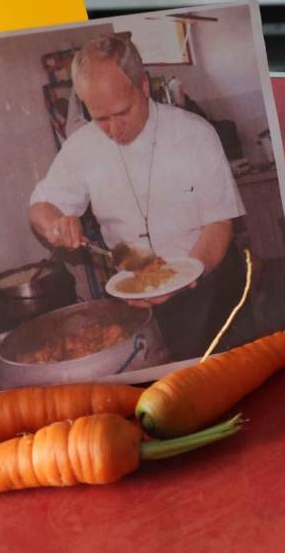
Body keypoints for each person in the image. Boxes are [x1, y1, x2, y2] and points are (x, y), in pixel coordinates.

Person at [28, 33, 246, 360]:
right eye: (100, 118)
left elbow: (219, 223)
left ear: (143, 86)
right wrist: (55, 225)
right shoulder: (82, 146)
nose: (115, 130)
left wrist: (181, 276)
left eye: (122, 112)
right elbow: (41, 206)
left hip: (207, 285)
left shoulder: (195, 134)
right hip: (134, 292)